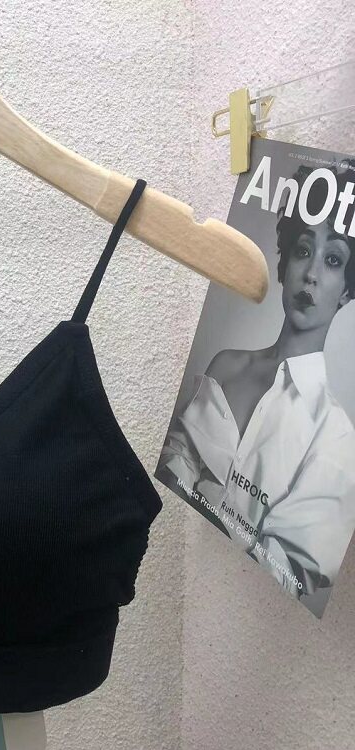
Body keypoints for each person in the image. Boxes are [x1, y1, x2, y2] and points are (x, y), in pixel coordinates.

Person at [158, 164, 355, 598]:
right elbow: (173, 466)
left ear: (346, 289)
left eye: (333, 260)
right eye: (303, 250)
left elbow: (289, 571)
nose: (312, 274)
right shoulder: (226, 365)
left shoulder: (338, 437)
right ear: (285, 263)